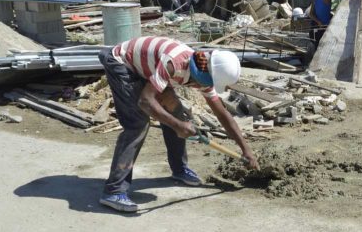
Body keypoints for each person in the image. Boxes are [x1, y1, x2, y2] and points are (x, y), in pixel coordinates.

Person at [98, 37, 259, 212]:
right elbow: (145, 101)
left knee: (175, 111)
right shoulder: (174, 63)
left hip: (147, 69)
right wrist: (178, 126)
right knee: (137, 123)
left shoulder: (205, 70)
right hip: (122, 63)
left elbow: (222, 114)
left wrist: (246, 150)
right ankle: (113, 190)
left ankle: (179, 169)